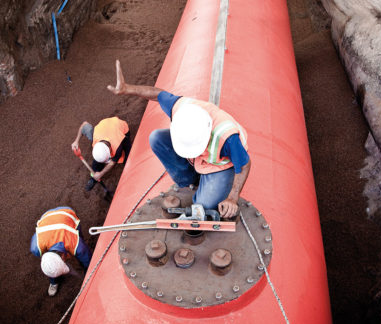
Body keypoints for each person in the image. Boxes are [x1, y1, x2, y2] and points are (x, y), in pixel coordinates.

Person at [107, 60, 251, 218]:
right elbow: (157, 94)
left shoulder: (227, 137)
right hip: (200, 159)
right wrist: (128, 89)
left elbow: (244, 165)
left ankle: (206, 185)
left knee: (204, 206)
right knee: (156, 138)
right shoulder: (180, 108)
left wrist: (232, 198)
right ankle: (189, 180)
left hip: (219, 165)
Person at [30, 206, 92, 296]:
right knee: (50, 266)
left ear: (64, 256)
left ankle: (85, 272)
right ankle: (53, 281)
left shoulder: (76, 245)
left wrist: (89, 274)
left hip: (67, 213)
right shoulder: (36, 248)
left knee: (83, 254)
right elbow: (49, 264)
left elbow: (88, 260)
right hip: (46, 217)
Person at [71, 116, 131, 191]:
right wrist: (76, 141)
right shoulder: (94, 135)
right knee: (97, 162)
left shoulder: (118, 144)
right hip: (104, 127)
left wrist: (101, 173)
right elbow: (84, 124)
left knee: (128, 158)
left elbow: (112, 163)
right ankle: (94, 178)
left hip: (121, 128)